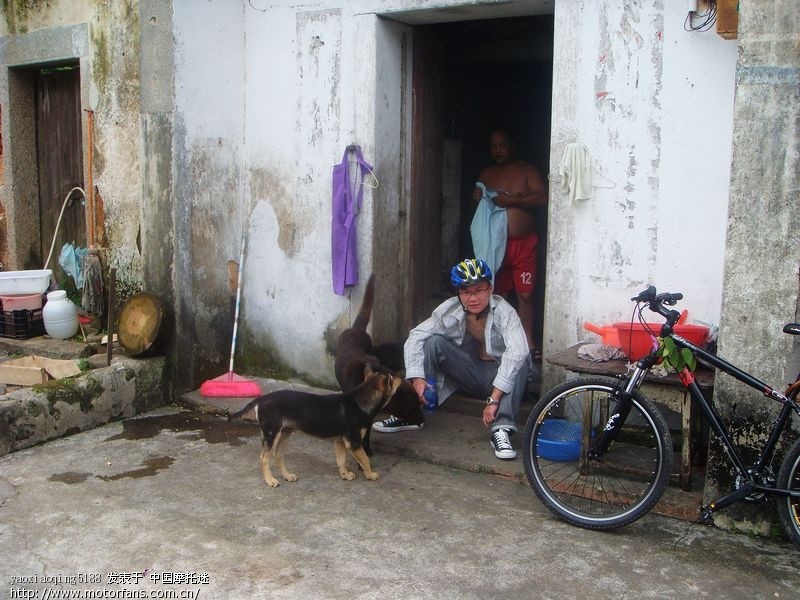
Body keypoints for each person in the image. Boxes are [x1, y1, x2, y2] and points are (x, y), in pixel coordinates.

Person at [372, 258, 530, 460]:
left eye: (478, 290)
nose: (473, 298)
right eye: (466, 292)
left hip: (503, 380)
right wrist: (417, 377)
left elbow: (517, 352)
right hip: (473, 374)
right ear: (458, 293)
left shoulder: (504, 312)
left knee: (521, 358)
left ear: (490, 289)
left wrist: (494, 399)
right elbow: (416, 336)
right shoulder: (451, 309)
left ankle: (501, 429)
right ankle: (413, 414)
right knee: (433, 342)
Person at [473, 129, 548, 374]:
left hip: (524, 243)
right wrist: (477, 196)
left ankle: (528, 341)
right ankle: (504, 340)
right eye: (494, 146)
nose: (498, 150)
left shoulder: (527, 171)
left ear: (512, 146)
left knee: (525, 294)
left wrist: (513, 201)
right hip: (496, 244)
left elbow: (543, 198)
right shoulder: (487, 173)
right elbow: (479, 201)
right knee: (500, 293)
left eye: (502, 145)